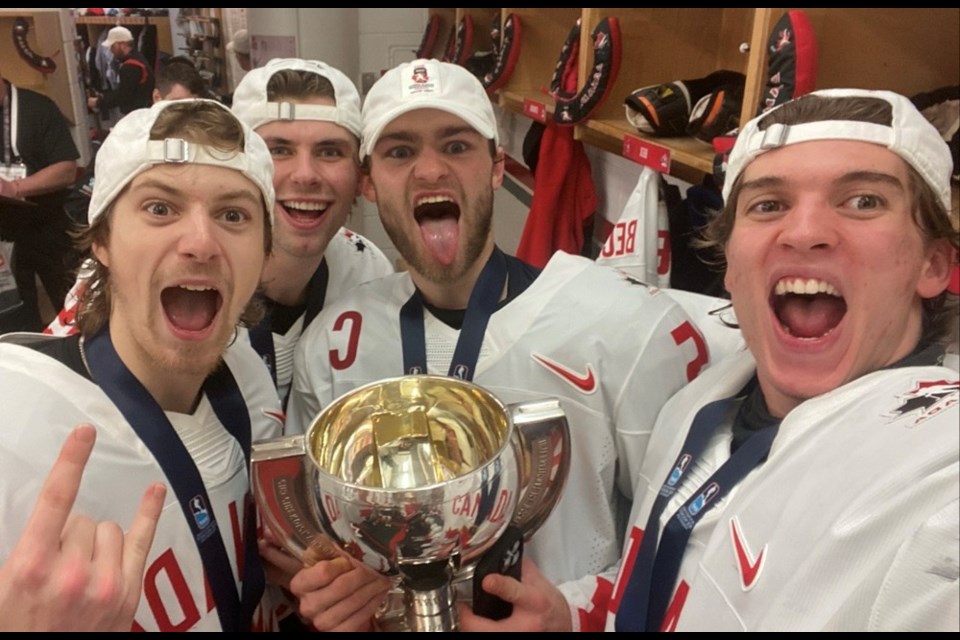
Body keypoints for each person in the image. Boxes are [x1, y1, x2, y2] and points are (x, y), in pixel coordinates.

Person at [460, 88, 960, 632]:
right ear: (731, 267)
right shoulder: (705, 401)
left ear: (933, 264)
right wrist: (570, 617)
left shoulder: (934, 476)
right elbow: (663, 581)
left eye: (863, 200)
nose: (806, 232)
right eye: (769, 204)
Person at [281, 58, 729, 631]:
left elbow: (694, 547)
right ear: (368, 182)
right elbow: (326, 543)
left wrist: (571, 616)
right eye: (399, 151)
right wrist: (335, 593)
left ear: (496, 167)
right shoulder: (336, 340)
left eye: (457, 146)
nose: (430, 170)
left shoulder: (628, 326)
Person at [0, 99, 285, 631]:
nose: (201, 243)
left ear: (265, 253)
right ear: (102, 239)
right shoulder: (13, 415)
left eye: (233, 215)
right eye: (160, 208)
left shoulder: (250, 376)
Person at [50, 57, 393, 408]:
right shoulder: (121, 279)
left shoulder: (366, 270)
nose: (306, 175)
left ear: (360, 176)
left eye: (330, 151)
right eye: (278, 149)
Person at [0, 68, 80, 332]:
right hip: (4, 234)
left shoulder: (37, 108)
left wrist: (15, 187)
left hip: (47, 225)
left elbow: (67, 169)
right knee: (13, 313)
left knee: (69, 305)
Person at [87, 26, 154, 116]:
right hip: (144, 111)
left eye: (113, 46)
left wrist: (99, 102)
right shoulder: (138, 58)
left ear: (122, 45)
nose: (111, 50)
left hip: (138, 114)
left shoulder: (130, 66)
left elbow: (123, 95)